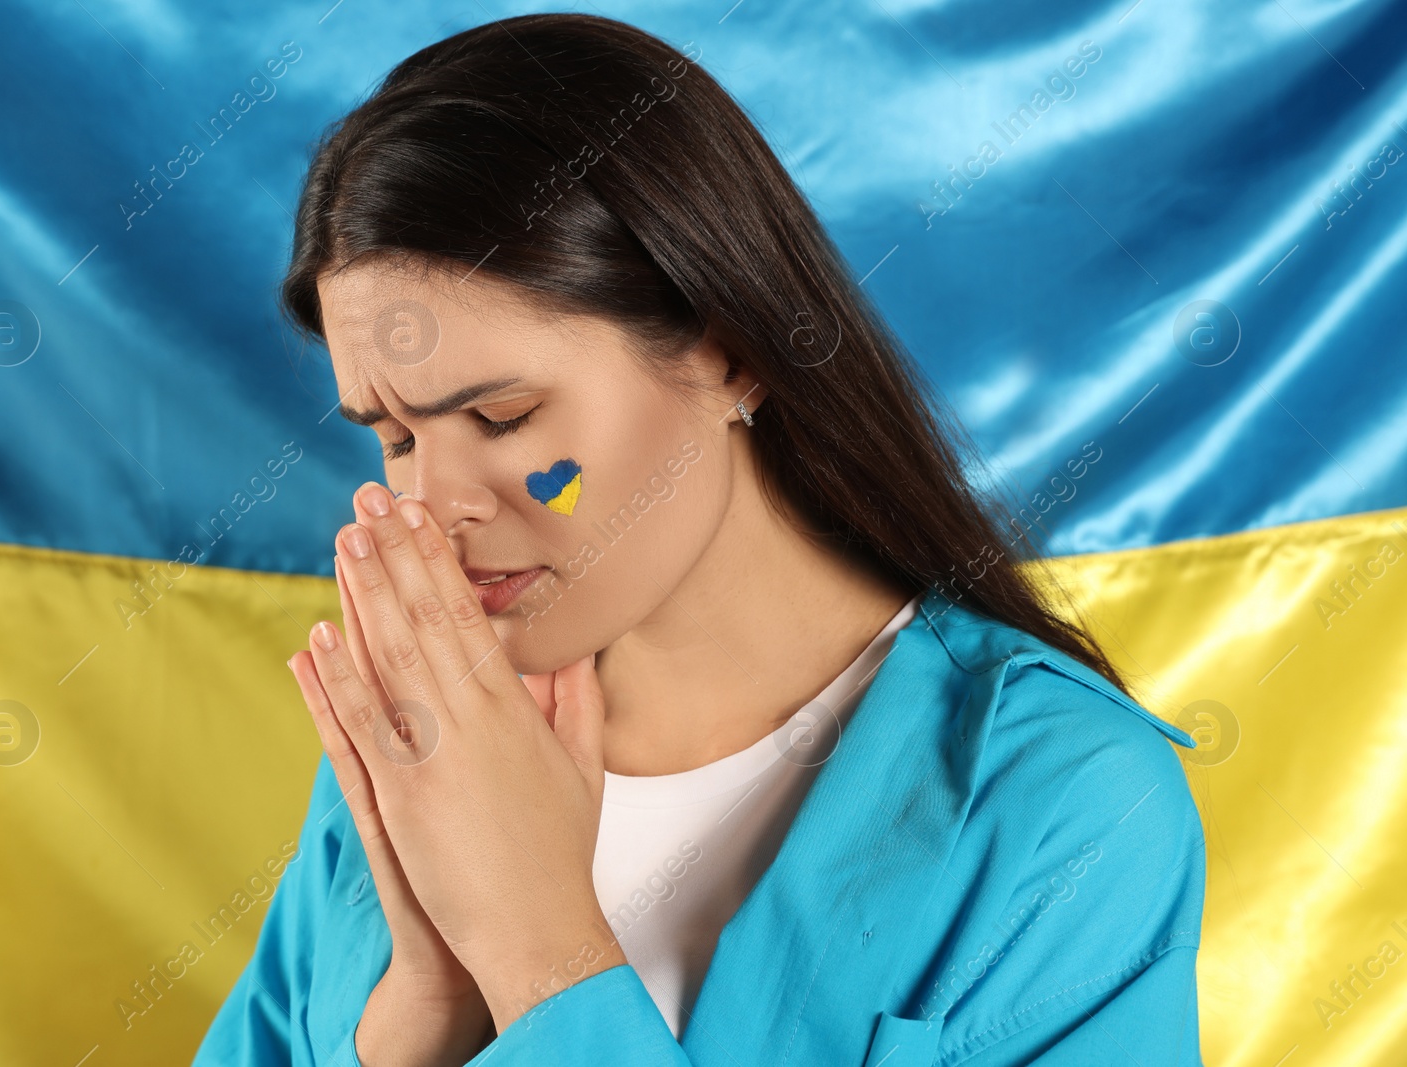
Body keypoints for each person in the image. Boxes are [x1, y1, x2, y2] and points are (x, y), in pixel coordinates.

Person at [195, 12, 1204, 1066]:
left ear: (730, 352)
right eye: (395, 437)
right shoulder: (418, 722)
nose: (434, 504)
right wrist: (424, 1009)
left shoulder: (1065, 799)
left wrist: (539, 949)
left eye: (502, 418)